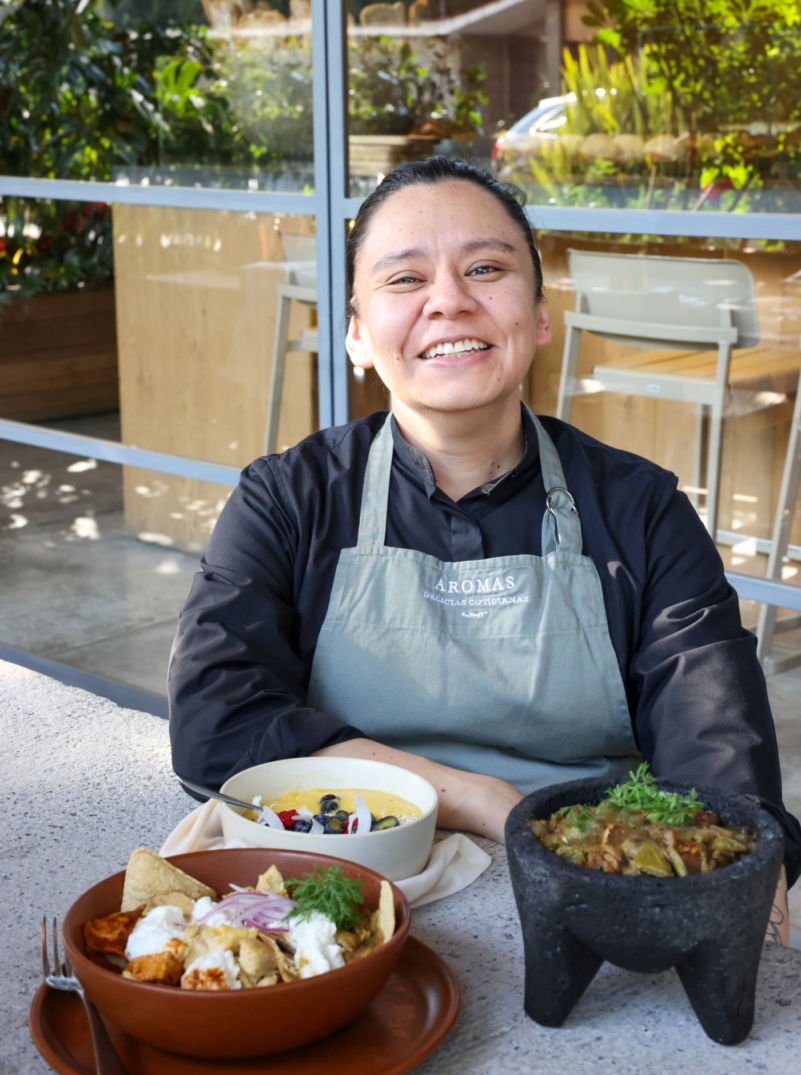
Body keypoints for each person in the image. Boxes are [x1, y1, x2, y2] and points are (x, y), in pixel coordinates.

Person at [168, 156, 801, 931]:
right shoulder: (288, 499)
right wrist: (474, 797)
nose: (449, 301)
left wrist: (731, 888)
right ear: (358, 336)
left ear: (538, 317)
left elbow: (716, 742)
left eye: (485, 267)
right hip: (347, 893)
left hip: (587, 887)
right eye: (404, 280)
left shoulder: (638, 509)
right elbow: (215, 724)